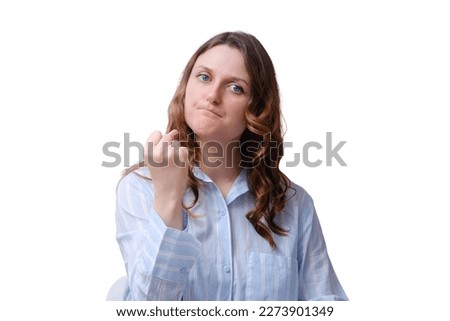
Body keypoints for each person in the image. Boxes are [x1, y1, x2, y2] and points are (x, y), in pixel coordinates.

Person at [115, 31, 348, 301]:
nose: (213, 95)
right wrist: (168, 197)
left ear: (257, 109)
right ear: (186, 87)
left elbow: (327, 305)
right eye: (204, 77)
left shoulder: (295, 205)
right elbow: (147, 310)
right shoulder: (139, 188)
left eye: (235, 87)